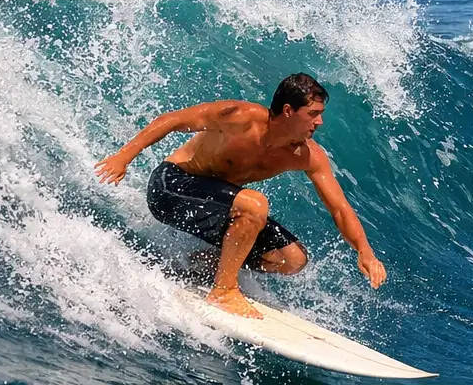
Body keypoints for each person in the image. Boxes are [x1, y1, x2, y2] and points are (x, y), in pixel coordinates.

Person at [95, 73, 387, 318]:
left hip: (217, 204)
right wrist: (123, 158)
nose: (319, 122)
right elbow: (173, 120)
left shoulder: (307, 155)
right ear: (288, 111)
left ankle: (200, 265)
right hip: (171, 188)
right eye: (313, 114)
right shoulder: (240, 118)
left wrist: (365, 251)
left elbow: (339, 209)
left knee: (292, 260)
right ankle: (223, 291)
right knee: (254, 204)